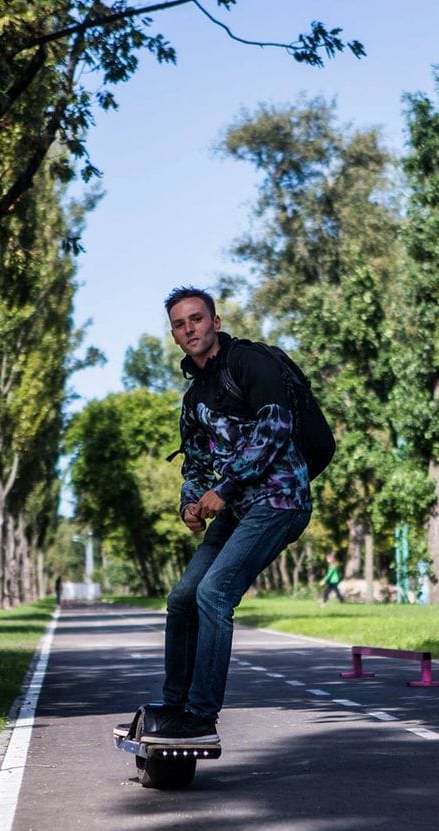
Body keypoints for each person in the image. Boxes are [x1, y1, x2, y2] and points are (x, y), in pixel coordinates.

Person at [132, 286, 313, 744]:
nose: (189, 328)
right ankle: (174, 705)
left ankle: (200, 714)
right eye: (179, 323)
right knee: (182, 597)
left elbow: (275, 428)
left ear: (215, 321)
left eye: (196, 318)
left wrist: (225, 487)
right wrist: (191, 504)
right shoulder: (194, 398)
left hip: (280, 500)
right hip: (237, 506)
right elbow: (194, 463)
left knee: (214, 593)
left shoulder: (251, 363)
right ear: (173, 334)